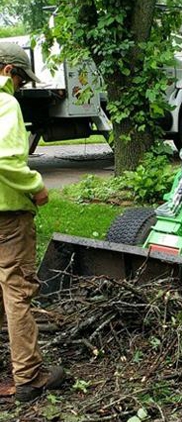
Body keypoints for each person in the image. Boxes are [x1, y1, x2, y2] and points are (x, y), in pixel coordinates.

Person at [0, 42, 65, 402]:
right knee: (17, 289)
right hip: (7, 213)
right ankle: (28, 376)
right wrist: (36, 187)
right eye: (21, 80)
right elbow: (6, 160)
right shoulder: (5, 102)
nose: (20, 88)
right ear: (9, 71)